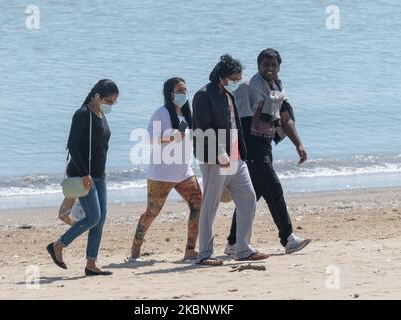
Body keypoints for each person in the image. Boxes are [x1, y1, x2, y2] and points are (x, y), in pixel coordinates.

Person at [225, 48, 311, 256]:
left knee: (252, 196)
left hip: (265, 145)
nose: (270, 68)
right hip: (251, 147)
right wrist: (241, 153)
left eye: (273, 65)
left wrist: (298, 144)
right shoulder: (248, 87)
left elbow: (285, 118)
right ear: (258, 66)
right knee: (274, 188)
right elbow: (241, 121)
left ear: (279, 67)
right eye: (266, 64)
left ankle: (233, 243)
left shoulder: (277, 88)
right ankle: (288, 238)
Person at [192, 54, 269, 266]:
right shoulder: (203, 95)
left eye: (239, 78)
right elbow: (202, 129)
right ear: (222, 77)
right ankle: (205, 254)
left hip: (237, 158)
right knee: (210, 206)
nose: (238, 83)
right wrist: (219, 153)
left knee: (248, 199)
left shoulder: (229, 94)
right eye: (235, 79)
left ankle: (243, 249)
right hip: (215, 159)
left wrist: (242, 154)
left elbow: (236, 126)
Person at [46, 79, 119, 276]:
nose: (111, 105)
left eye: (114, 102)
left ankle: (91, 263)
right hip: (82, 174)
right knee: (93, 217)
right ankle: (58, 245)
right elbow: (73, 146)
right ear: (97, 96)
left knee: (100, 218)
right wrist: (85, 174)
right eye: (109, 101)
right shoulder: (82, 115)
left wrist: (97, 173)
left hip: (99, 175)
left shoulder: (101, 113)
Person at [129, 77, 202, 261]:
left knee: (197, 206)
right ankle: (135, 249)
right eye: (179, 91)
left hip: (184, 172)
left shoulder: (188, 115)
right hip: (161, 174)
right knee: (152, 212)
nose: (184, 94)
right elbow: (148, 138)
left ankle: (190, 250)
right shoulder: (161, 113)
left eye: (185, 90)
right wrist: (169, 136)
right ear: (170, 94)